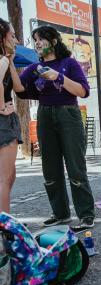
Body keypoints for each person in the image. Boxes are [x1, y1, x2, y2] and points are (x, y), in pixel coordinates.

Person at [9, 26, 95, 230]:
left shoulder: (69, 63)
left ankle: (86, 215)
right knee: (50, 169)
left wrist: (58, 77)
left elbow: (83, 91)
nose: (37, 43)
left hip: (68, 114)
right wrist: (10, 62)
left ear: (54, 41)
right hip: (45, 115)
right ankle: (61, 214)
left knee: (76, 167)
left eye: (40, 39)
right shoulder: (34, 68)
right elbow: (20, 88)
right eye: (35, 40)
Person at [0, 19, 21, 214]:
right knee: (5, 178)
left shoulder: (6, 59)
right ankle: (5, 230)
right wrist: (1, 107)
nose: (15, 39)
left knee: (9, 175)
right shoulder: (2, 60)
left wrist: (11, 60)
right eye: (12, 35)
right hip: (3, 120)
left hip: (6, 120)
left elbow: (19, 88)